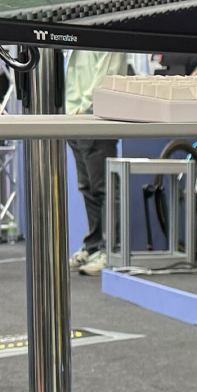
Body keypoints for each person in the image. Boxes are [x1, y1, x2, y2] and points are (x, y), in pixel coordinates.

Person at [65, 49, 130, 277]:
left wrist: (86, 107)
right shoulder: (75, 39)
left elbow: (107, 75)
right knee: (88, 186)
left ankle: (110, 250)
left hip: (94, 115)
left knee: (104, 186)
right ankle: (94, 246)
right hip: (74, 115)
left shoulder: (107, 32)